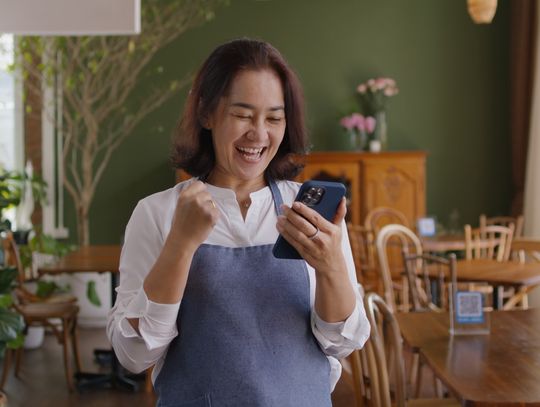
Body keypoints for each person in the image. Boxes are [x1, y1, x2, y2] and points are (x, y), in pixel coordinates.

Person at [107, 38, 369, 407]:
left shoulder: (308, 213)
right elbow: (133, 355)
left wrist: (331, 268)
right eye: (243, 114)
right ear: (207, 113)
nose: (259, 134)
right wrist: (180, 246)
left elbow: (342, 342)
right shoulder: (157, 213)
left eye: (274, 118)